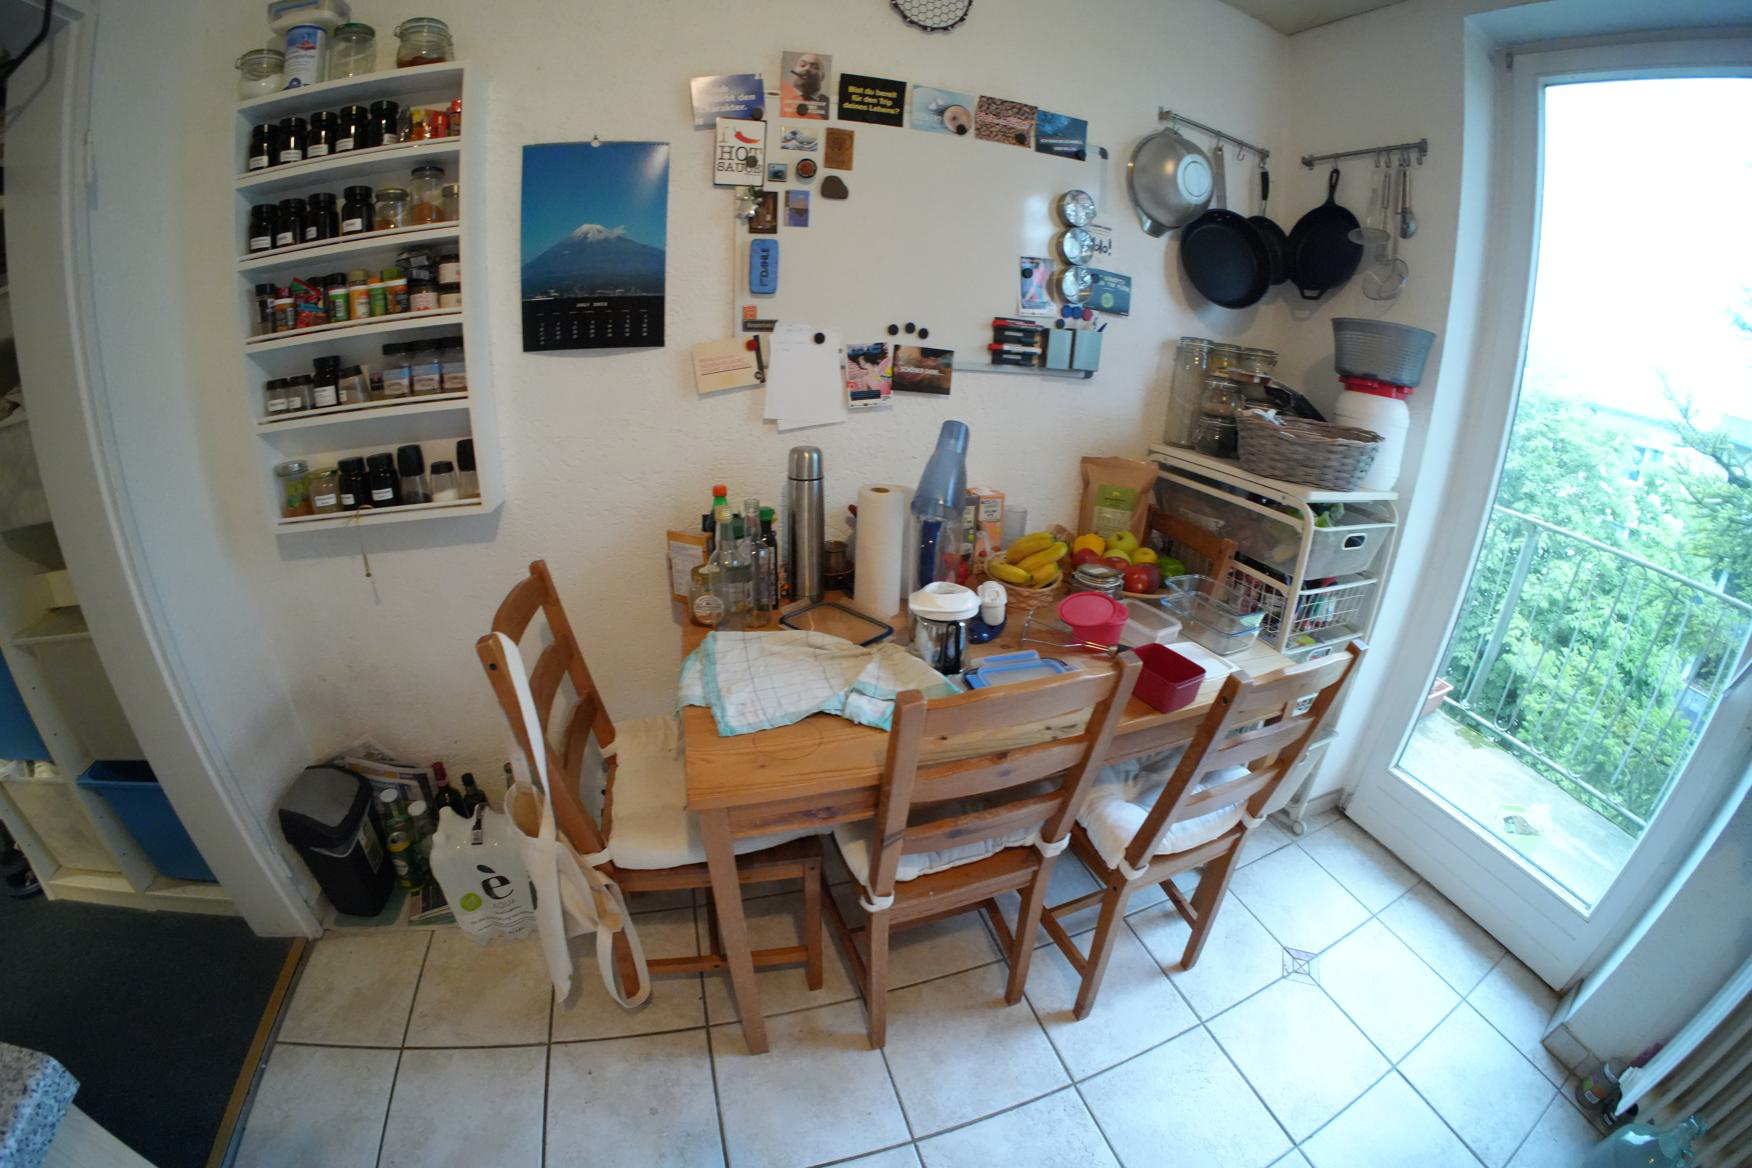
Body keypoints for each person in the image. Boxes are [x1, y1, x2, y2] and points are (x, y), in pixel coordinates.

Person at [786, 53, 828, 119]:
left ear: (822, 76)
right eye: (802, 65)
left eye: (814, 67)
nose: (807, 68)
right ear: (794, 71)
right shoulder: (782, 99)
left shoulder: (828, 104)